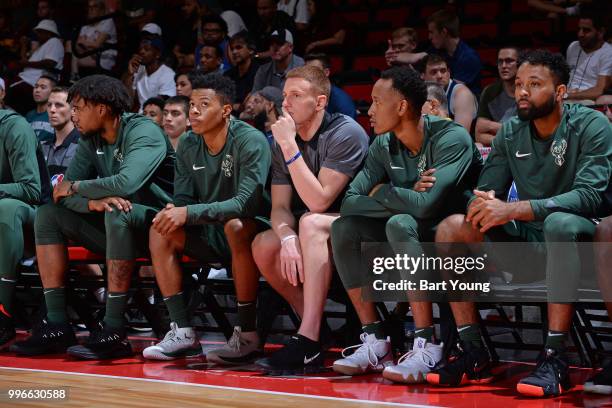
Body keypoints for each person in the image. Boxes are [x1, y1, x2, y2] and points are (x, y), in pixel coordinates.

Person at [427, 50, 612, 398]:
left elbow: (589, 196)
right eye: (520, 84)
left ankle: (555, 357)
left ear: (560, 92)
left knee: (558, 222)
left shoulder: (592, 124)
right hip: (528, 245)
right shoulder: (511, 130)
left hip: (584, 247)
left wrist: (515, 209)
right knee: (452, 226)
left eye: (535, 84)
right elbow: (487, 189)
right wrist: (480, 204)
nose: (522, 91)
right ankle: (472, 349)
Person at [328, 66, 482, 382]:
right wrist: (406, 197)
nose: (368, 111)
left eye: (375, 102)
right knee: (343, 228)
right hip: (410, 238)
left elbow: (427, 207)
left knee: (401, 222)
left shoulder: (451, 138)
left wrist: (383, 190)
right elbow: (349, 202)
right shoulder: (383, 144)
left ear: (401, 107)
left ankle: (427, 343)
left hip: (458, 247)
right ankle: (374, 339)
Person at [10, 75, 175, 360]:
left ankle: (113, 329)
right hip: (118, 228)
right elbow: (61, 196)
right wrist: (92, 204)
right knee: (48, 215)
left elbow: (125, 183)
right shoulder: (90, 138)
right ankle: (57, 323)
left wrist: (77, 188)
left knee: (116, 212)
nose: (73, 115)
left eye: (78, 107)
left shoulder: (143, 131)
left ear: (101, 108)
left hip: (161, 226)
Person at [142, 73, 271, 363]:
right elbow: (185, 200)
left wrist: (188, 212)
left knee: (235, 225)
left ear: (226, 110)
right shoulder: (188, 142)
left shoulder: (251, 140)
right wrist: (175, 210)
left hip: (255, 232)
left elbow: (245, 204)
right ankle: (182, 331)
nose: (194, 111)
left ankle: (248, 333)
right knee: (160, 227)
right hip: (210, 230)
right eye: (192, 104)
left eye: (203, 104)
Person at [250, 65, 368, 373]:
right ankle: (314, 331)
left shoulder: (345, 132)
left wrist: (289, 146)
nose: (285, 103)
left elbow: (319, 200)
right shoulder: (281, 141)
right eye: (284, 95)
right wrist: (286, 237)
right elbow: (279, 208)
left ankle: (308, 339)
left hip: (356, 230)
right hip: (314, 231)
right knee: (265, 243)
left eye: (295, 96)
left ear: (319, 102)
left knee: (310, 222)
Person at [0, 109, 50, 349]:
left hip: (36, 214)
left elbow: (31, 189)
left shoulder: (15, 127)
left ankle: (3, 314)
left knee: (6, 208)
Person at [6, 19, 64, 115]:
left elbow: (50, 63)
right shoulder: (41, 47)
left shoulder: (54, 41)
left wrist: (26, 64)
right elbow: (23, 60)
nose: (38, 35)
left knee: (8, 93)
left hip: (34, 81)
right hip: (26, 78)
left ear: (49, 33)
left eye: (41, 32)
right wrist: (24, 45)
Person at [565, 5, 612, 103]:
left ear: (600, 32)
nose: (580, 34)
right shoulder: (573, 47)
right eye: (579, 29)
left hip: (588, 99)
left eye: (586, 30)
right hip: (567, 95)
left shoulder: (608, 52)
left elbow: (599, 90)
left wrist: (569, 95)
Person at [476, 46, 520, 146]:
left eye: (509, 61)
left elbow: (527, 133)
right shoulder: (490, 92)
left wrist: (491, 126)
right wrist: (508, 141)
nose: (504, 66)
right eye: (500, 62)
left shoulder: (528, 92)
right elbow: (479, 134)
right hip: (500, 151)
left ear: (519, 64)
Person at [421, 54, 478, 131]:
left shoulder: (462, 94)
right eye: (434, 72)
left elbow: (460, 136)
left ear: (449, 73)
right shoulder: (421, 92)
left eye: (443, 71)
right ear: (422, 76)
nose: (439, 76)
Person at [124, 37, 176, 111]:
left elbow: (161, 105)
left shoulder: (168, 74)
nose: (141, 52)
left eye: (146, 49)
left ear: (157, 54)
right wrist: (130, 74)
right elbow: (129, 100)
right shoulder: (139, 70)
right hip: (141, 116)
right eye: (140, 49)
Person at [70, 0, 117, 77]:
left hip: (103, 57)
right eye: (89, 7)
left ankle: (74, 77)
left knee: (75, 56)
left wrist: (85, 42)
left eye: (94, 6)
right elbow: (78, 42)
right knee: (71, 47)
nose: (91, 9)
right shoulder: (86, 24)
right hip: (88, 53)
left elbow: (97, 45)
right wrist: (88, 43)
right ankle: (74, 77)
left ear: (101, 9)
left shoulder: (107, 21)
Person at [41, 86, 80, 179]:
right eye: (49, 105)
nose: (52, 110)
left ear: (73, 110)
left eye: (59, 105)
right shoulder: (41, 147)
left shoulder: (83, 146)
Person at [304, 53, 356, 119]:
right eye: (306, 70)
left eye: (314, 70)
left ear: (326, 72)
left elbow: (347, 128)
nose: (308, 75)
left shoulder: (341, 101)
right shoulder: (304, 95)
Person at [224, 31, 259, 112]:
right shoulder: (228, 75)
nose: (234, 52)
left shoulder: (260, 73)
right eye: (232, 49)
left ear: (251, 50)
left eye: (238, 47)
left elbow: (252, 104)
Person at [25, 74, 56, 142]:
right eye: (36, 87)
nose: (37, 90)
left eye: (43, 87)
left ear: (53, 92)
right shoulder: (29, 115)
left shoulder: (56, 115)